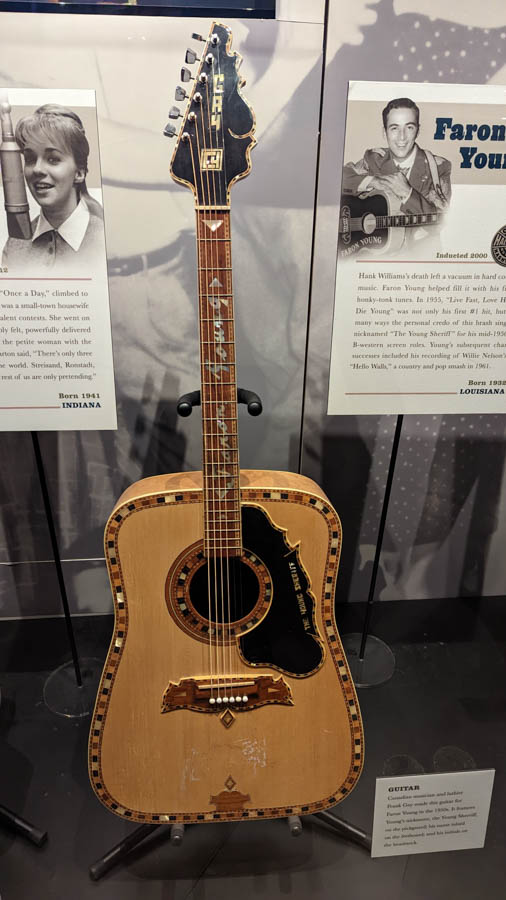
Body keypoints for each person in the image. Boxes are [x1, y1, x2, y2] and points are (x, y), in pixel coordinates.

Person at [2, 104, 105, 273]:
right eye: (30, 159)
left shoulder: (103, 239)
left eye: (53, 159)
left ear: (79, 173)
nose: (37, 169)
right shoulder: (15, 245)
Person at [342, 97, 451, 217]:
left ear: (418, 131)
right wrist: (374, 181)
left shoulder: (437, 167)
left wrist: (408, 194)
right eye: (394, 128)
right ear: (385, 132)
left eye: (409, 128)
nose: (402, 137)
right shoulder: (374, 159)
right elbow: (340, 178)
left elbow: (442, 220)